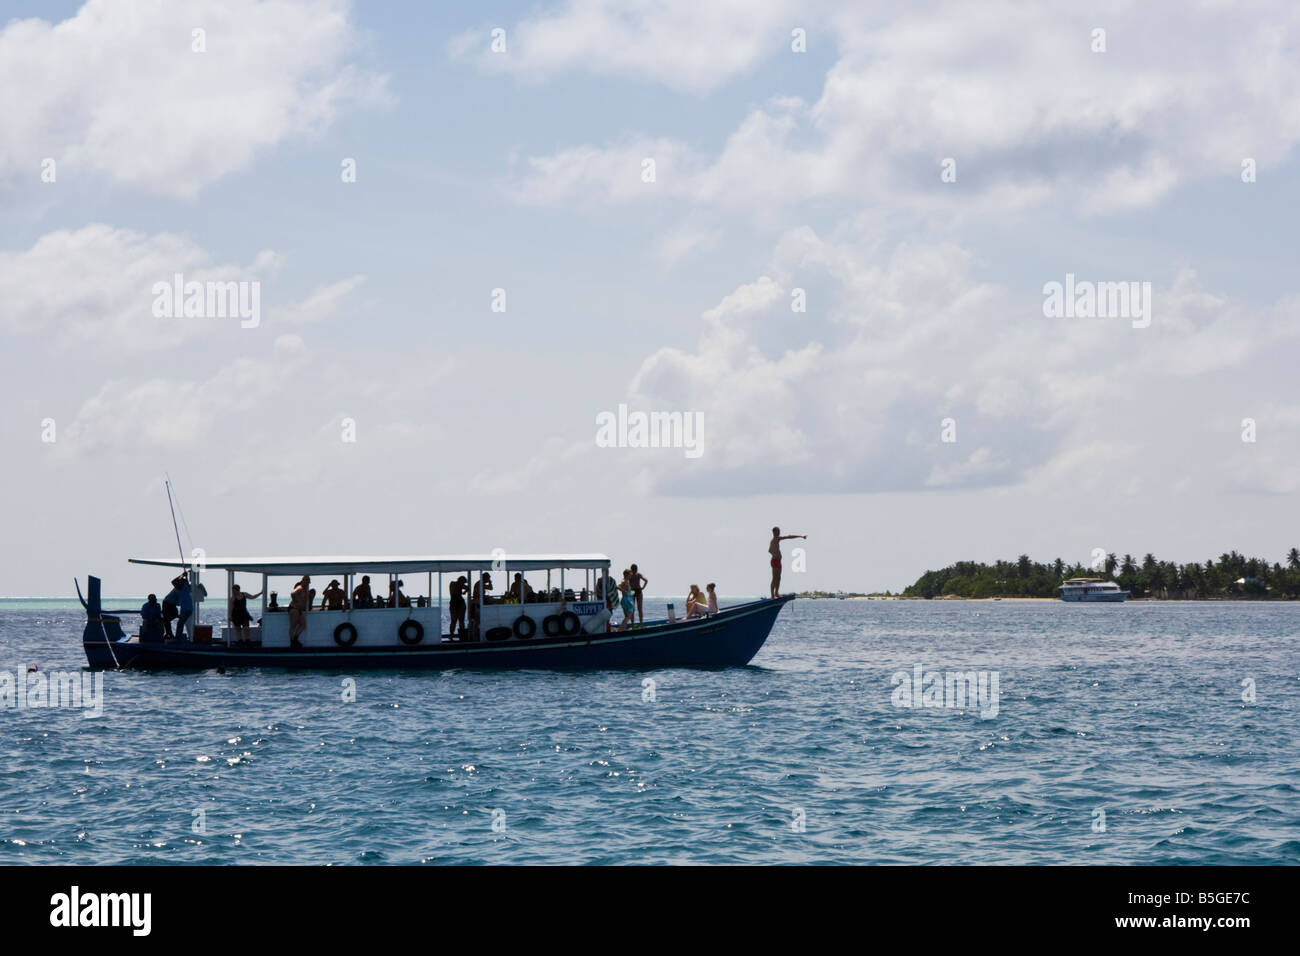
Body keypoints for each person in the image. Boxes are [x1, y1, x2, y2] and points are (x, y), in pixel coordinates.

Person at [769, 527, 807, 599]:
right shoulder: (774, 540)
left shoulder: (777, 539)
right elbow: (769, 550)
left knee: (779, 578)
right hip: (774, 561)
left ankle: (776, 593)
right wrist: (775, 555)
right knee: (774, 578)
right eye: (778, 531)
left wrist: (800, 536)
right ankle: (772, 595)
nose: (779, 532)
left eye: (779, 531)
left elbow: (789, 537)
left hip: (778, 561)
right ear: (774, 532)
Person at [288, 576, 312, 648]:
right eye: (306, 581)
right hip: (294, 609)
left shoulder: (305, 589)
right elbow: (292, 593)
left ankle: (295, 639)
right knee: (293, 625)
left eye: (308, 581)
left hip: (299, 610)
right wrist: (297, 602)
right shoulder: (300, 587)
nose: (307, 583)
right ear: (302, 581)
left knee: (303, 624)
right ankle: (292, 642)